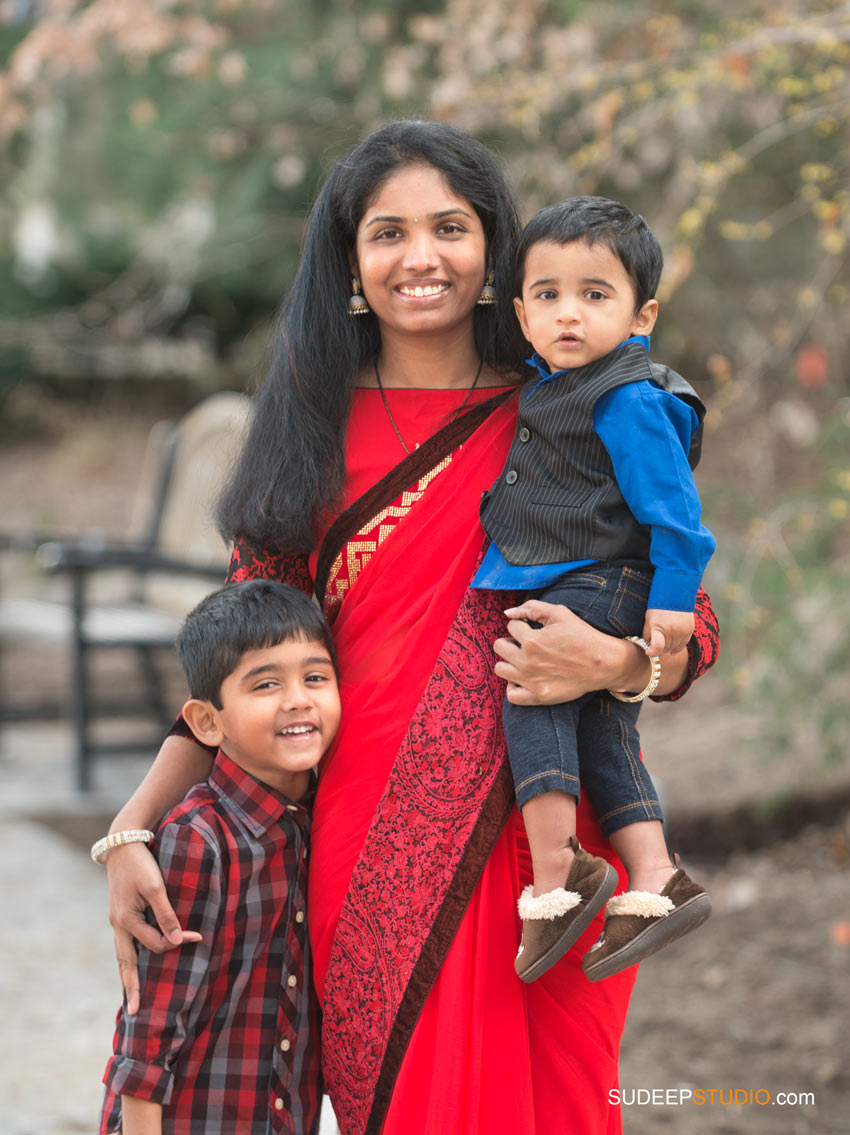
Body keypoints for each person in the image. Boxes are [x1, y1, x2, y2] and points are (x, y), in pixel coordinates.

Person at [98, 121, 720, 1135]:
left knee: (558, 1105)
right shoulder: (306, 423)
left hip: (549, 848)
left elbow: (690, 619)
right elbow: (235, 656)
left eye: (450, 227)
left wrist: (613, 660)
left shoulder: (575, 404)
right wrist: (132, 828)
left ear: (494, 257)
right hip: (364, 841)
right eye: (387, 232)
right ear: (348, 259)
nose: (420, 256)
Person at [471, 196, 715, 985]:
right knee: (606, 734)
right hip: (598, 577)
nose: (567, 314)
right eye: (547, 295)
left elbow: (678, 520)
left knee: (533, 682)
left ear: (641, 315)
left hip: (606, 580)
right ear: (520, 309)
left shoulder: (628, 398)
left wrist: (672, 607)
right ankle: (655, 876)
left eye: (594, 294)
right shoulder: (557, 384)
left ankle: (556, 877)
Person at [96, 580, 340, 1135]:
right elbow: (148, 1029)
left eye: (316, 677)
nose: (298, 698)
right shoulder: (197, 838)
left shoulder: (317, 821)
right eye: (266, 684)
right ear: (208, 722)